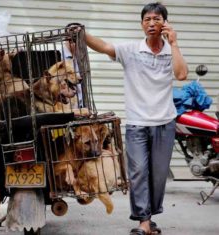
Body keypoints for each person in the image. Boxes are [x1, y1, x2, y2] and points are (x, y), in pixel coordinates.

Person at [80, 2, 188, 235]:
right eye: (147, 20)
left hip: (165, 124)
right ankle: (143, 222)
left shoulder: (171, 52)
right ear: (141, 24)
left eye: (157, 19)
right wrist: (82, 32)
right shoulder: (131, 50)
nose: (151, 23)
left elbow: (181, 74)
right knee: (138, 172)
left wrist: (175, 43)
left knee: (158, 175)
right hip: (137, 123)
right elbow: (104, 46)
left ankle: (149, 218)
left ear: (165, 24)